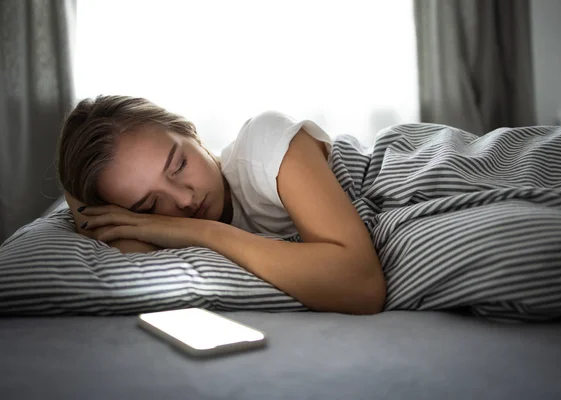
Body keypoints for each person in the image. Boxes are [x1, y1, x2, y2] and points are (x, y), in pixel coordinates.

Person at [57, 95, 386, 315]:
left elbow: (362, 287)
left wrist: (203, 232)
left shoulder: (263, 144)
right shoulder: (158, 231)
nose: (184, 200)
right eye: (149, 205)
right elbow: (126, 250)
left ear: (191, 131)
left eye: (180, 165)